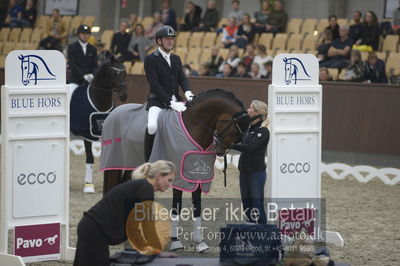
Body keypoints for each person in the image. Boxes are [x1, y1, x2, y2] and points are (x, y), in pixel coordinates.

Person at [73, 160, 177, 266]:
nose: (170, 185)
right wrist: (158, 252)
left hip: (90, 227)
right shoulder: (145, 188)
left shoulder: (141, 186)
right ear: (159, 176)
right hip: (95, 230)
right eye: (169, 180)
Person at [143, 25, 194, 162]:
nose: (170, 41)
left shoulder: (176, 59)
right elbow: (154, 84)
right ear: (159, 41)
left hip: (177, 100)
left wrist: (188, 92)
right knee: (152, 126)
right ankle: (148, 160)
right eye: (167, 39)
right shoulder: (150, 59)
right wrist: (170, 103)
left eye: (172, 39)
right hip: (158, 101)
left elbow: (182, 78)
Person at [231, 100, 270, 224]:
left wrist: (230, 145)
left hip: (256, 173)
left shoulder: (263, 131)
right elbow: (239, 141)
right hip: (244, 171)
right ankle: (250, 233)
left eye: (250, 108)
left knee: (257, 206)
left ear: (257, 112)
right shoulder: (248, 129)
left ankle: (264, 236)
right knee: (247, 205)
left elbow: (249, 147)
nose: (248, 110)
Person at [67, 24, 98, 93]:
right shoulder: (72, 47)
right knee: (70, 94)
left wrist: (92, 74)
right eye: (83, 33)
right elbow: (72, 64)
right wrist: (83, 75)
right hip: (76, 80)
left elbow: (95, 65)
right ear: (79, 34)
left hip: (90, 81)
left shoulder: (93, 49)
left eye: (87, 33)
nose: (85, 35)